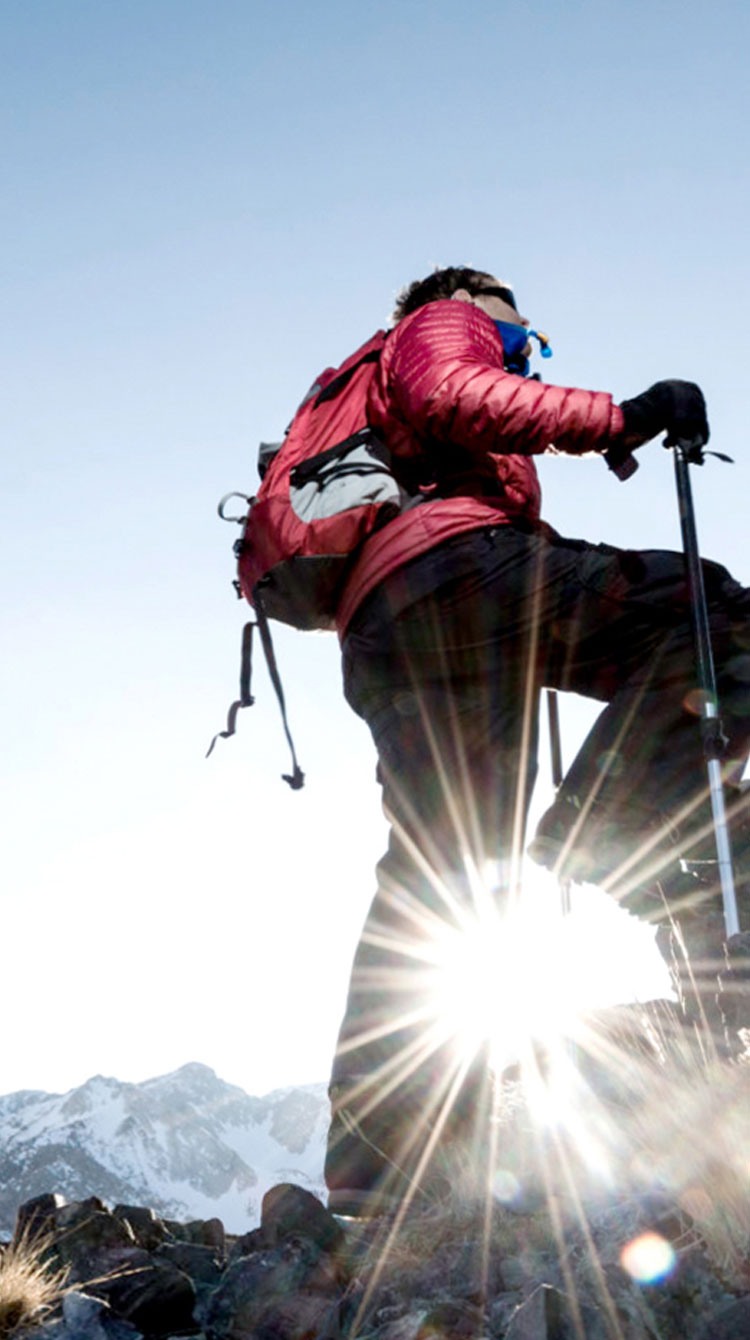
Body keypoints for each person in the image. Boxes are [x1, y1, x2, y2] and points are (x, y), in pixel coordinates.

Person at [323, 266, 750, 1217]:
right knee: (716, 616)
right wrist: (623, 417)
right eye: (524, 338)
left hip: (386, 627)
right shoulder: (447, 318)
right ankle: (610, 825)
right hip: (458, 575)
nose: (524, 353)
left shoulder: (371, 406)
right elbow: (453, 389)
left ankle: (379, 1157)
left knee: (443, 869)